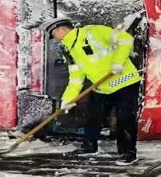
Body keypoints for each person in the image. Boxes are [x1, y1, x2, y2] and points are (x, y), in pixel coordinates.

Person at [40, 17, 142, 166]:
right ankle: (89, 147)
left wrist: (118, 62)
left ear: (62, 29)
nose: (55, 38)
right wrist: (68, 99)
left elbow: (125, 39)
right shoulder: (69, 49)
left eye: (54, 34)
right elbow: (76, 78)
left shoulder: (93, 32)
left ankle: (128, 154)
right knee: (92, 117)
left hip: (124, 82)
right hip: (101, 87)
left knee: (125, 119)